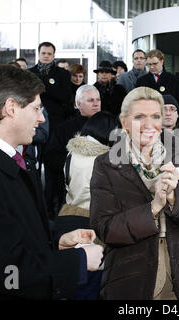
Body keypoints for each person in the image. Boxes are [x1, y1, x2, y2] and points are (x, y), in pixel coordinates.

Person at [0, 65, 104, 299]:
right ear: (11, 108)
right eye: (36, 108)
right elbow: (6, 273)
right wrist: (77, 262)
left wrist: (58, 240)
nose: (41, 118)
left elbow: (13, 230)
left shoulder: (2, 161)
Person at [90, 87, 179, 300]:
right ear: (124, 122)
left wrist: (173, 197)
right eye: (139, 117)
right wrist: (154, 207)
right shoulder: (106, 164)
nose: (149, 125)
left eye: (155, 116)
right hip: (129, 277)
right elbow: (105, 228)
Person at [53, 111, 117, 300]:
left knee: (74, 276)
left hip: (67, 217)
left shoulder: (71, 154)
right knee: (91, 279)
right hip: (91, 222)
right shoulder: (104, 160)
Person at [42, 85, 103, 218]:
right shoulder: (64, 129)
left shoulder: (110, 126)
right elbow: (51, 157)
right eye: (90, 100)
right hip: (71, 193)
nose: (96, 103)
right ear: (78, 104)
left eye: (98, 100)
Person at [28, 42, 73, 132]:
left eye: (49, 54)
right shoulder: (29, 73)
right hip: (33, 117)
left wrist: (44, 84)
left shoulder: (63, 73)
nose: (46, 56)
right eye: (43, 53)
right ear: (39, 54)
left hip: (56, 119)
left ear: (53, 56)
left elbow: (66, 96)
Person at [135, 49, 179, 117]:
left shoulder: (174, 80)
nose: (152, 67)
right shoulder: (141, 81)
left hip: (168, 118)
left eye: (155, 64)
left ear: (162, 61)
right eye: (149, 64)